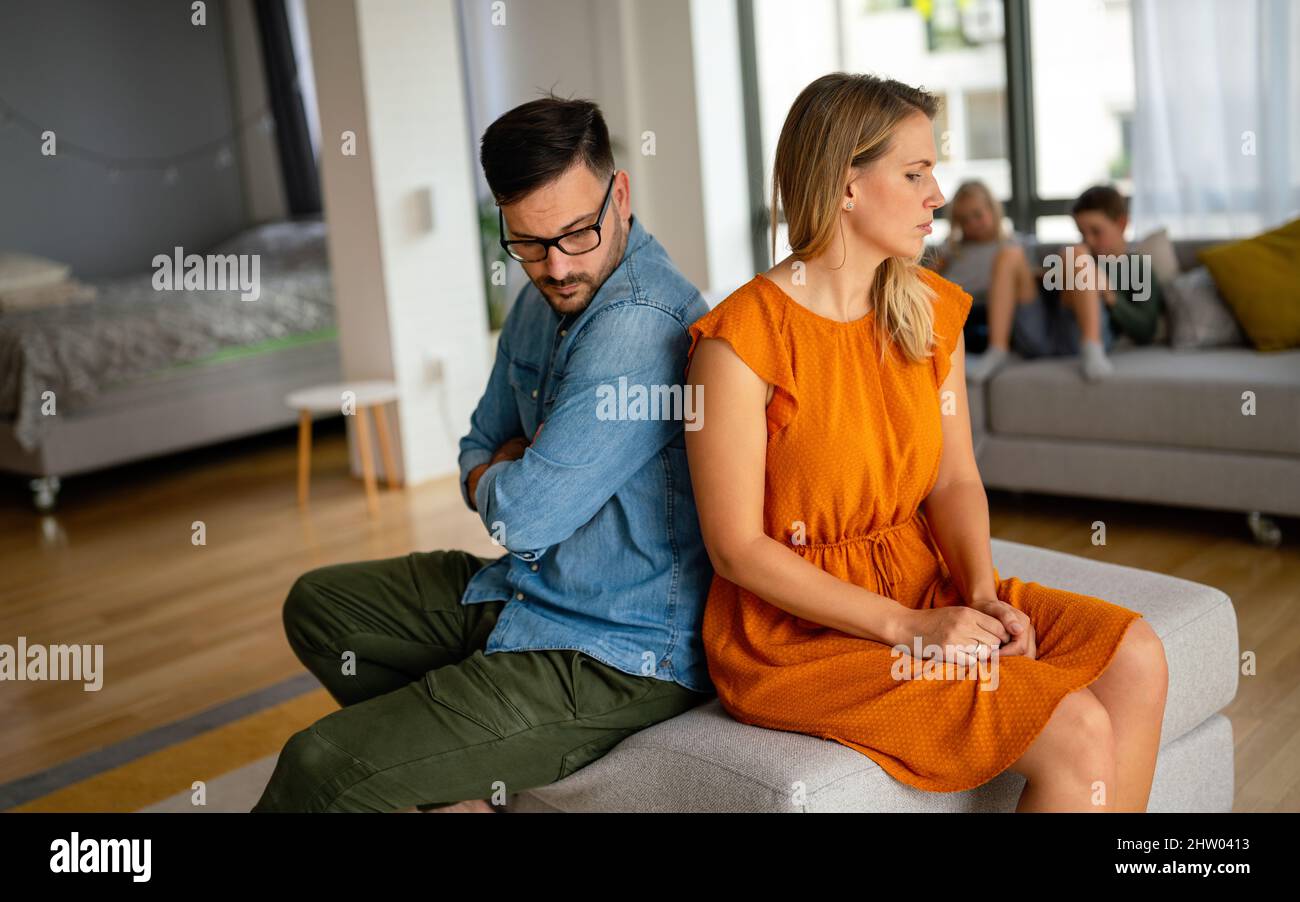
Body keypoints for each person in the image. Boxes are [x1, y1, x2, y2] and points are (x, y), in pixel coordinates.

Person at [684, 73, 1169, 812]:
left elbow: (953, 482)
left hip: (922, 581)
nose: (936, 195)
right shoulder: (738, 345)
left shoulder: (925, 312)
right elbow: (735, 549)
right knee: (1072, 729)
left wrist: (979, 594)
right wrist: (912, 628)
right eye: (914, 174)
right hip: (799, 635)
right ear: (845, 185)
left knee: (1138, 656)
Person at [253, 95, 715, 813]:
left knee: (321, 764)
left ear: (619, 194)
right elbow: (475, 442)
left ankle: (426, 766)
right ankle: (451, 782)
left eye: (576, 234)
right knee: (320, 605)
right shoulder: (542, 298)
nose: (556, 267)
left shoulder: (640, 326)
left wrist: (504, 476)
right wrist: (505, 468)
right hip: (528, 593)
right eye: (529, 242)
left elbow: (522, 518)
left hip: (616, 653)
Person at [973, 184, 1165, 383]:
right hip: (1041, 333)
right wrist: (1045, 279)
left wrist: (1110, 296)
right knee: (1009, 255)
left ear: (1122, 224)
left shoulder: (1136, 266)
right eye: (1082, 232)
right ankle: (997, 350)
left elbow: (1147, 329)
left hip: (1079, 338)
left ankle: (1092, 346)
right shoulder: (1076, 253)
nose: (1088, 240)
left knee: (1075, 254)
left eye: (1096, 231)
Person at [926, 180, 1032, 354]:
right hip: (953, 311)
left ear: (992, 210)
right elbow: (928, 277)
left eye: (977, 215)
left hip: (988, 310)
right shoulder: (951, 249)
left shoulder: (1012, 245)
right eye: (964, 220)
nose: (972, 224)